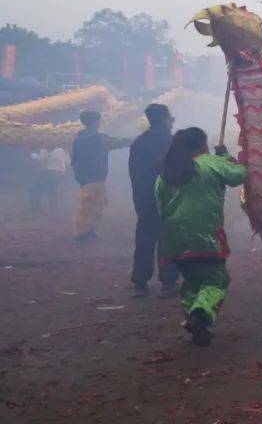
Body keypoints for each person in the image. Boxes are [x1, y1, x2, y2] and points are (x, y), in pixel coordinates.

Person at [155, 128, 248, 347]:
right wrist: (224, 156)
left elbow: (159, 205)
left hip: (174, 237)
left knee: (192, 281)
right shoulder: (211, 163)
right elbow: (240, 174)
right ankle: (201, 314)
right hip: (205, 234)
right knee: (217, 279)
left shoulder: (166, 172)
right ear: (202, 145)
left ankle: (197, 325)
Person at [128, 103, 179, 298]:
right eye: (171, 118)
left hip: (144, 198)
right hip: (169, 198)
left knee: (145, 239)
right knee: (168, 239)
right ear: (165, 119)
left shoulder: (139, 142)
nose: (172, 122)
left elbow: (133, 174)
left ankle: (140, 281)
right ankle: (168, 281)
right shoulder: (173, 142)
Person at [70, 110, 133, 241]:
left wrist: (78, 175)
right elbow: (119, 142)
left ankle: (83, 232)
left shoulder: (78, 139)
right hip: (96, 176)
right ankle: (85, 233)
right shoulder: (99, 138)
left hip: (83, 177)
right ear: (95, 122)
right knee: (94, 206)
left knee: (85, 204)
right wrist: (138, 139)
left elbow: (74, 160)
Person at [29, 147, 68, 214]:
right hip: (60, 173)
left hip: (49, 172)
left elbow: (43, 159)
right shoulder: (62, 149)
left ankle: (35, 209)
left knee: (33, 189)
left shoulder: (45, 147)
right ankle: (54, 209)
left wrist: (33, 155)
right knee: (53, 190)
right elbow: (67, 161)